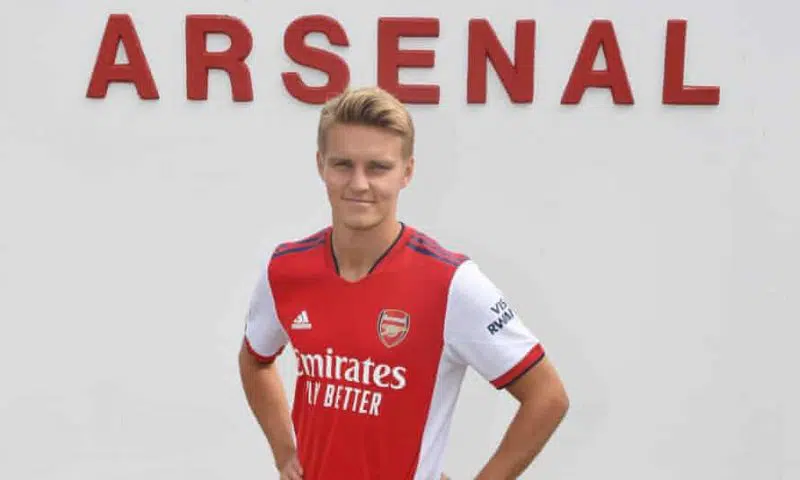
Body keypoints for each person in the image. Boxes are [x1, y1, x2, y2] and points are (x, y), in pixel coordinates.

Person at [238, 86, 569, 479]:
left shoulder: (451, 284)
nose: (359, 183)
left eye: (378, 167)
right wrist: (284, 452)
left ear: (406, 172)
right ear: (320, 165)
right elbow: (254, 360)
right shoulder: (286, 269)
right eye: (343, 164)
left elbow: (547, 397)